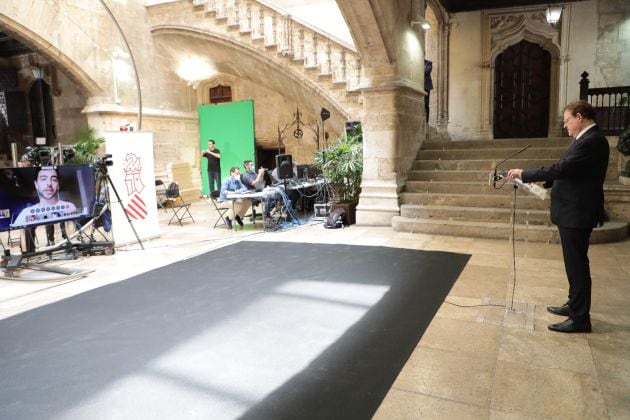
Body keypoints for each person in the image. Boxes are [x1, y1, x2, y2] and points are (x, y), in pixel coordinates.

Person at [507, 100, 609, 334]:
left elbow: (563, 167)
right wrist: (547, 180)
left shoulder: (592, 140)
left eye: (567, 120)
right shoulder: (586, 139)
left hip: (577, 211)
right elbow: (570, 170)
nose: (565, 126)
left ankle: (580, 319)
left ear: (580, 116)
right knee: (574, 264)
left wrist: (526, 173)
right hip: (572, 210)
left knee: (577, 266)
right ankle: (574, 306)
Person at [11, 166, 78, 228]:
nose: (49, 183)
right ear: (36, 184)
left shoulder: (70, 207)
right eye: (43, 179)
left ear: (58, 185)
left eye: (54, 179)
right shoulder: (26, 213)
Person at [424, 59, 433, 124]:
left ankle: (426, 121)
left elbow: (427, 72)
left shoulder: (429, 63)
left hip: (426, 86)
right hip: (419, 85)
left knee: (426, 104)